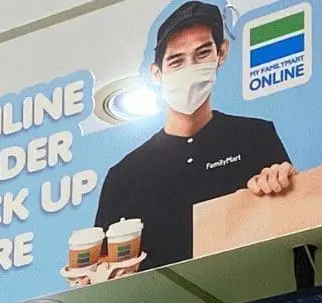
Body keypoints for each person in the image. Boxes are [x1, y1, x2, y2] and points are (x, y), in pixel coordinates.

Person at [92, 0, 299, 272]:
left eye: (202, 53)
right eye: (177, 60)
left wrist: (285, 185)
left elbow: (296, 241)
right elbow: (99, 274)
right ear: (157, 73)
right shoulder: (124, 175)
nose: (190, 68)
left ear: (221, 53)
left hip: (250, 298)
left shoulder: (255, 137)